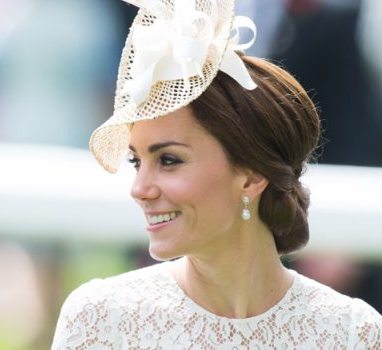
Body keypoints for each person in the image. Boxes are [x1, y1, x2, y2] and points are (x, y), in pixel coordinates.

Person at [51, 0, 382, 348]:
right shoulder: (101, 321)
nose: (139, 189)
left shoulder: (352, 332)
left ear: (252, 175)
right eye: (136, 162)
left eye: (168, 160)